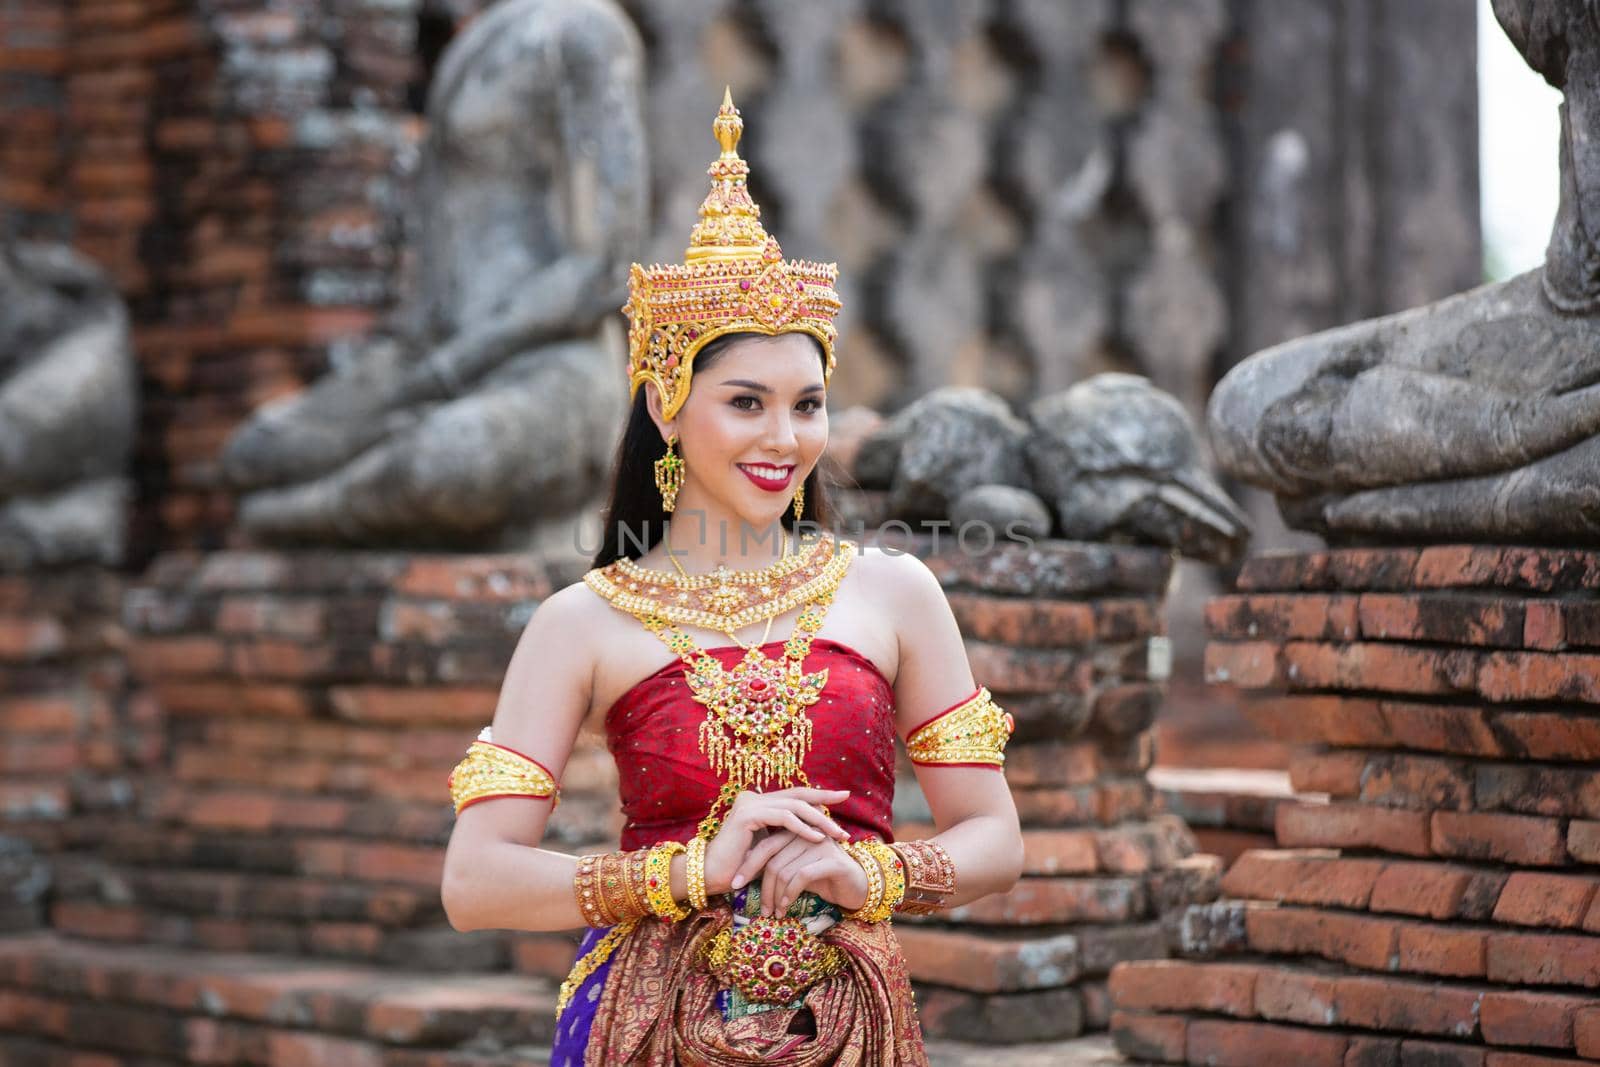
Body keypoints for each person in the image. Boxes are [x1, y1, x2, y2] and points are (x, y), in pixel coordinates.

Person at [440, 89, 1024, 1065]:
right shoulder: (583, 621)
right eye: (744, 402)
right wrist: (683, 871)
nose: (783, 438)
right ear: (667, 404)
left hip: (850, 1023)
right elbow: (475, 881)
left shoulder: (893, 593)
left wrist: (868, 870)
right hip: (642, 1024)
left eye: (807, 404)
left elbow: (996, 840)